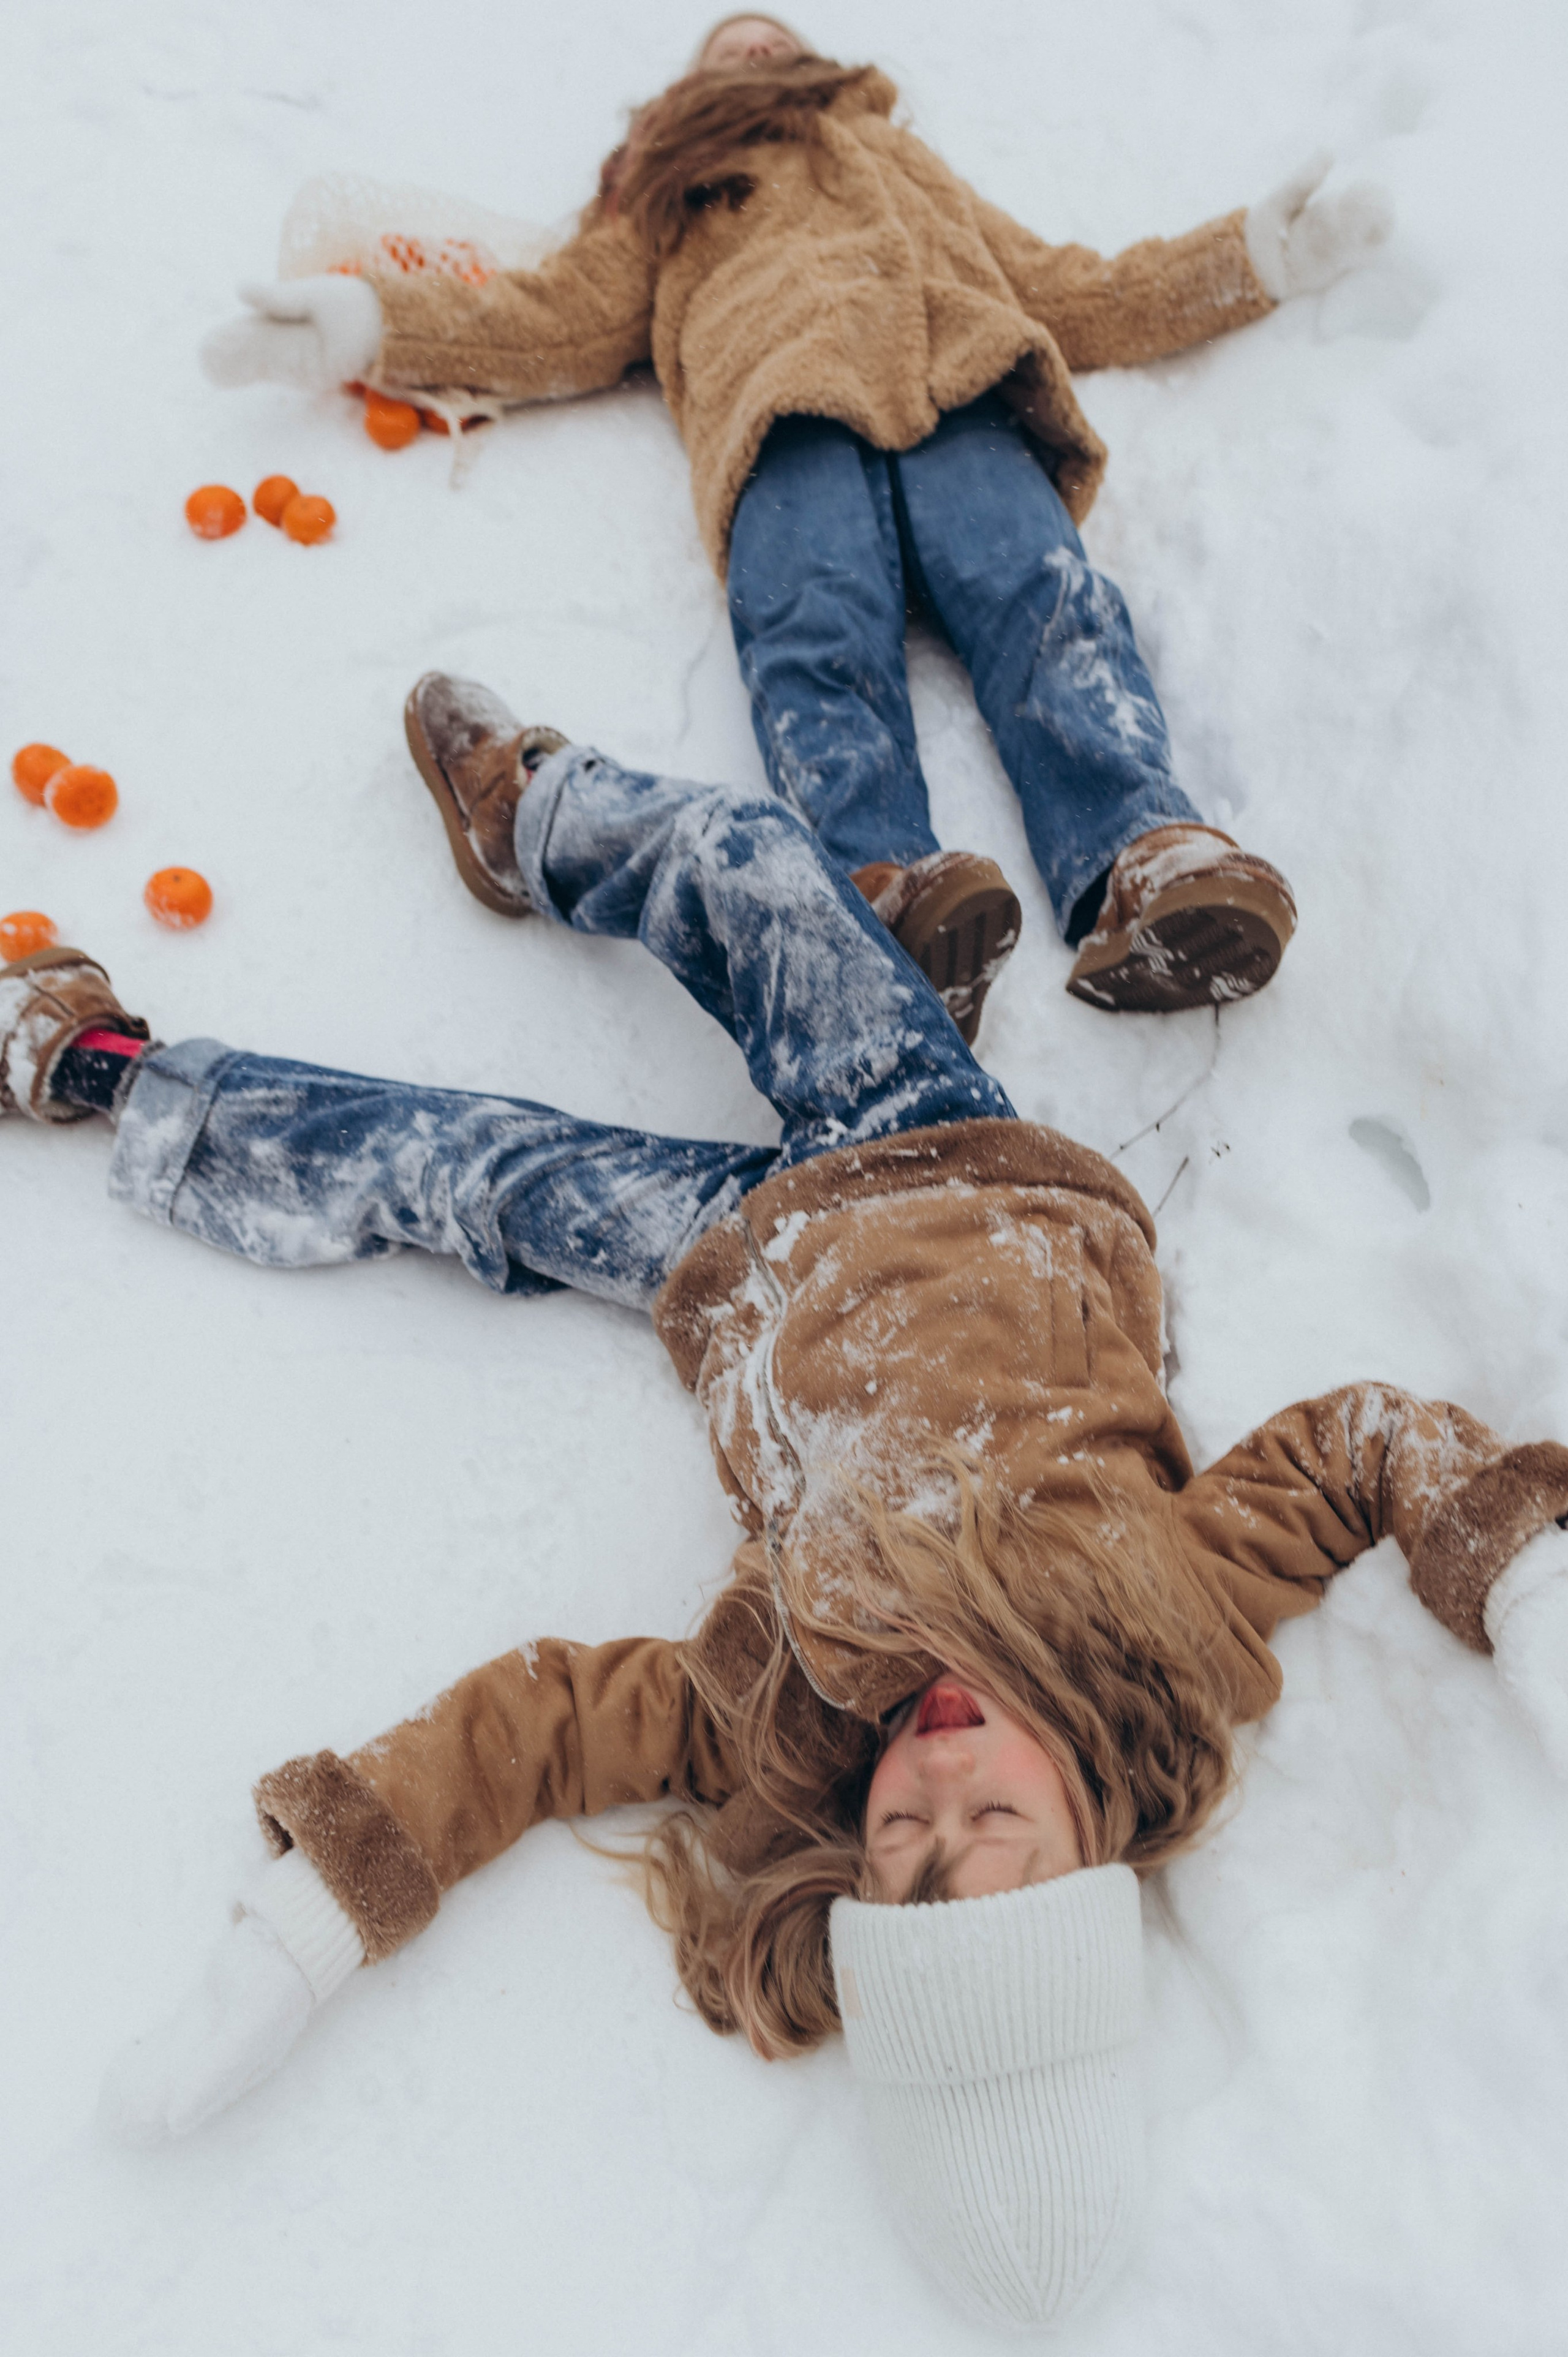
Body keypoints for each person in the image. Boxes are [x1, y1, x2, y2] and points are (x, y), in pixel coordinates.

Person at [7, 689, 1568, 2331]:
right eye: (996, 1830)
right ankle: (533, 814)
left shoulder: (780, 1722)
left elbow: (534, 1729)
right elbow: (1361, 1451)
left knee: (461, 1174)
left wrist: (305, 1931)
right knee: (750, 866)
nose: (942, 1780)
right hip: (951, 1152)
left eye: (904, 1839)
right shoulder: (1162, 1628)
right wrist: (1533, 1600)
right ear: (1093, 1835)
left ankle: (103, 1067)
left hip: (742, 1279)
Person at [200, 15, 1393, 1040]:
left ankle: (1148, 859)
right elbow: (550, 320)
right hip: (781, 409)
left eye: (771, 37)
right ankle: (882, 894)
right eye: (729, 44)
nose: (755, 45)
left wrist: (1246, 262)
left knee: (1046, 600)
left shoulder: (891, 153)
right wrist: (373, 326)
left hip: (961, 388)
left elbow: (1064, 287)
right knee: (812, 638)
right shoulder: (668, 188)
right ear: (684, 92)